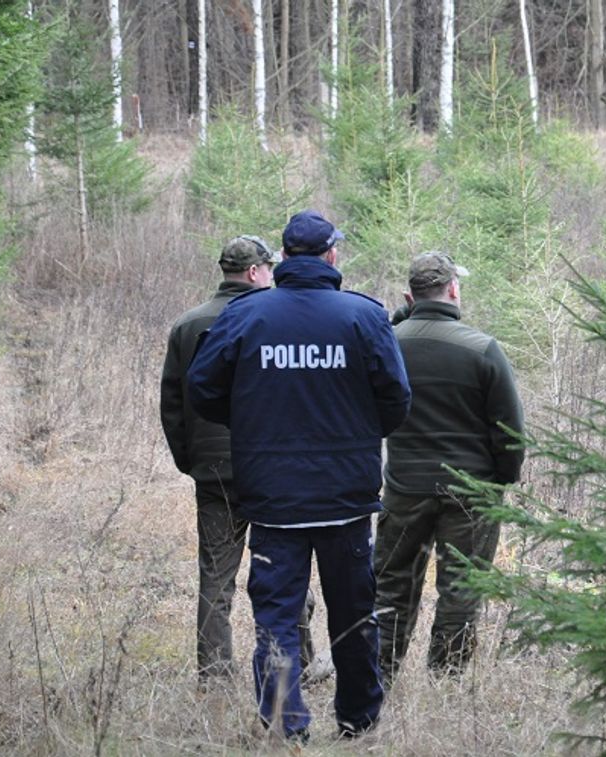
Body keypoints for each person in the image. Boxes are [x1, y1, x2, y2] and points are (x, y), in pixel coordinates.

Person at [187, 210, 411, 743]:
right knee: (354, 615)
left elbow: (203, 388)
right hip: (346, 496)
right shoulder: (363, 316)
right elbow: (396, 398)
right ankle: (359, 722)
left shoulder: (247, 314)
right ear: (332, 255)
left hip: (274, 496)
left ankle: (287, 728)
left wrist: (252, 419)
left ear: (284, 257)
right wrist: (357, 433)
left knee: (278, 617)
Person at [375, 251, 525, 681]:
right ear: (454, 290)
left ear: (410, 295)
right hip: (472, 492)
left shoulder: (390, 343)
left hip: (404, 487)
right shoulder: (482, 348)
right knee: (461, 589)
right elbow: (510, 431)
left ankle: (379, 677)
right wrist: (501, 481)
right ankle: (446, 682)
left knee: (391, 586)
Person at [159, 235, 279, 683]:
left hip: (212, 471)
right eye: (268, 268)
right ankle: (295, 663)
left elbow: (172, 401)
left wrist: (189, 460)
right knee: (285, 571)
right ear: (253, 273)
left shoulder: (188, 325)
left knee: (216, 577)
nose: (271, 276)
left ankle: (214, 675)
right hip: (268, 470)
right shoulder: (272, 319)